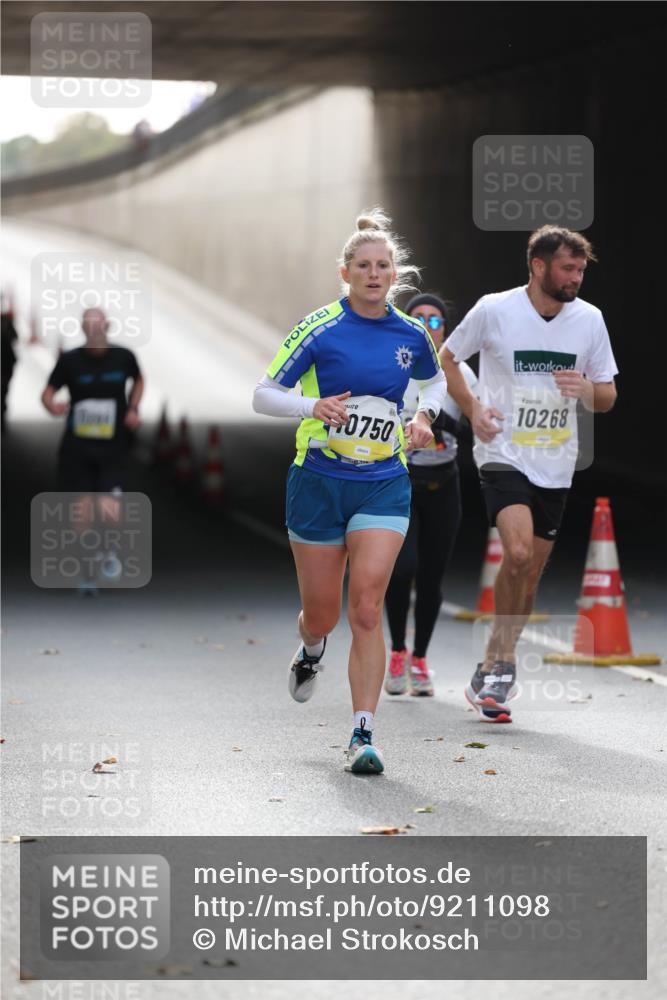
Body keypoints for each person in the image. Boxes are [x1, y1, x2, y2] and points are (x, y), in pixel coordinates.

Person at [253, 209, 446, 774]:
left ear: (394, 273)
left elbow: (431, 384)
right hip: (318, 480)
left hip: (383, 483)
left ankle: (363, 733)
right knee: (323, 614)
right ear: (346, 272)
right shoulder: (320, 329)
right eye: (363, 265)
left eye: (383, 265)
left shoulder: (411, 335)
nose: (373, 273)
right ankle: (311, 648)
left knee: (365, 607)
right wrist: (313, 406)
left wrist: (425, 418)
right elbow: (263, 394)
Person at [440, 225, 618, 722]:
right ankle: (503, 661)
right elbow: (448, 358)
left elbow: (607, 396)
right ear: (538, 267)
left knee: (529, 568)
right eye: (567, 268)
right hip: (503, 451)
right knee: (516, 551)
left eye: (580, 270)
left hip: (556, 462)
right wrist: (473, 408)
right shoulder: (496, 309)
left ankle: (497, 656)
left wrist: (586, 388)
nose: (576, 278)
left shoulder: (590, 321)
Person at [384, 293, 477, 697]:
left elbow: (481, 423)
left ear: (445, 329)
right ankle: (397, 653)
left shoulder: (459, 373)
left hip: (444, 486)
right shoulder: (392, 368)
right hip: (400, 483)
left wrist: (448, 429)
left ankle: (419, 659)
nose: (426, 324)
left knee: (432, 576)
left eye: (435, 320)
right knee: (402, 569)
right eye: (417, 317)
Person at [41, 307, 144, 592]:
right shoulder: (70, 361)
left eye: (99, 326)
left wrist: (134, 408)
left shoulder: (123, 357)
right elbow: (47, 393)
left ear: (108, 327)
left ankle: (108, 550)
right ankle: (87, 571)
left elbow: (139, 379)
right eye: (89, 327)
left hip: (113, 447)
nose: (94, 331)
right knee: (82, 513)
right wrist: (53, 406)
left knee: (110, 510)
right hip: (78, 448)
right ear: (83, 329)